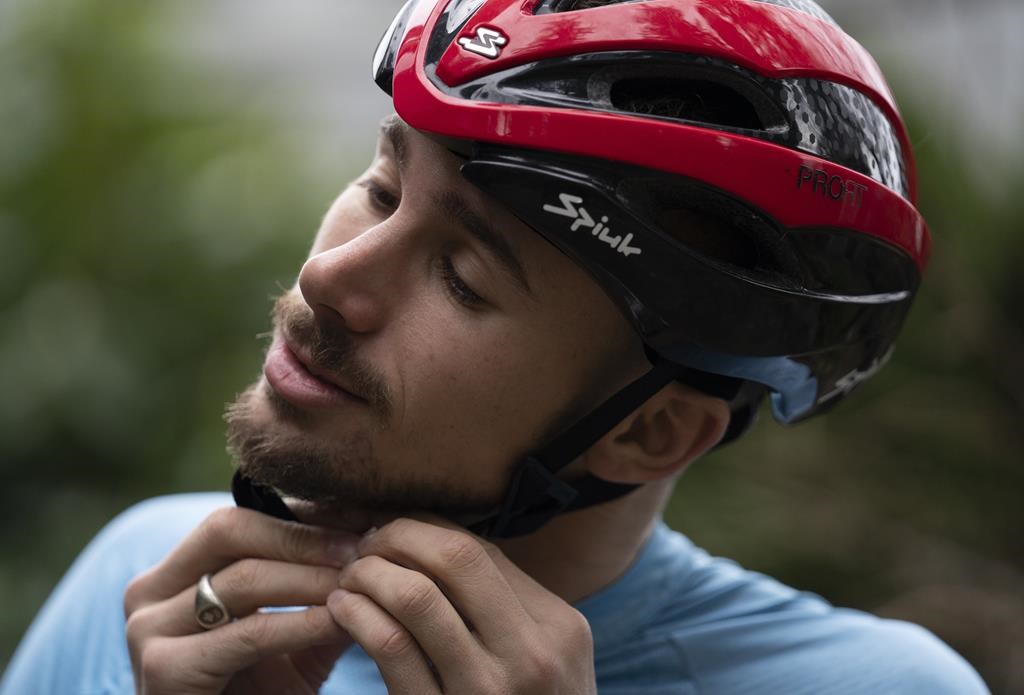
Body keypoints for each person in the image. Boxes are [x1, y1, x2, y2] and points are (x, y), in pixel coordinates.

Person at [2, 0, 990, 693]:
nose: (327, 278)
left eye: (462, 277)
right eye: (383, 189)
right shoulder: (155, 586)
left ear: (650, 430)